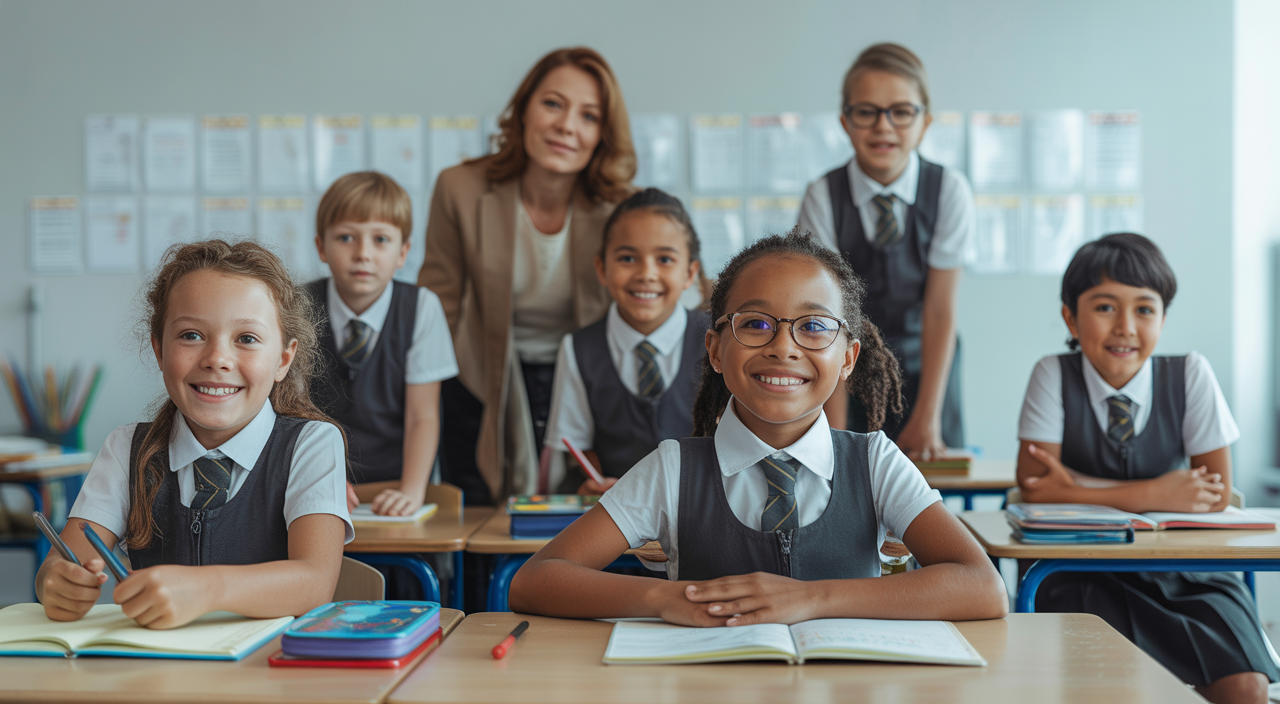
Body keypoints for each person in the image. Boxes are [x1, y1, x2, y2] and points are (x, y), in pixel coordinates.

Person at [509, 230, 1007, 625]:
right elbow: (537, 579)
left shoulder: (875, 461)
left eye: (814, 327)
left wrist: (811, 599)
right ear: (714, 350)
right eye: (755, 323)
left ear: (848, 357)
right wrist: (664, 597)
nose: (784, 347)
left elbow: (982, 586)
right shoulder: (673, 469)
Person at [36, 240, 352, 628]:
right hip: (157, 676)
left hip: (271, 675)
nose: (217, 358)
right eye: (190, 335)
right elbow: (61, 561)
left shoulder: (312, 445)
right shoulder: (126, 449)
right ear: (159, 350)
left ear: (283, 360)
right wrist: (55, 581)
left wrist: (209, 589)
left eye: (247, 339)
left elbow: (315, 582)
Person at [1016, 233, 1274, 704]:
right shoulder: (1052, 373)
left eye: (1144, 309)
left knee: (1246, 686)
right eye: (1105, 307)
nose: (1126, 327)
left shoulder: (1191, 373)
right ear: (1070, 316)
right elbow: (1034, 488)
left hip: (1187, 572)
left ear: (1163, 318)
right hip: (1079, 573)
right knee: (1115, 690)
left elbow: (1216, 493)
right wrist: (1156, 493)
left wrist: (1075, 488)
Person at [419, 46, 635, 505]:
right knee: (482, 510)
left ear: (602, 134)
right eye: (553, 104)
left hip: (585, 376)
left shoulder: (621, 207)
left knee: (581, 508)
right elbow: (438, 308)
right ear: (523, 110)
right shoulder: (459, 188)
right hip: (480, 374)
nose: (566, 126)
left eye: (589, 116)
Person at [797, 42, 974, 459]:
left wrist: (928, 415)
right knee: (848, 476)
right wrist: (833, 429)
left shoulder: (948, 190)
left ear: (925, 122)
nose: (884, 126)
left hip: (928, 362)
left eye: (901, 111)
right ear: (845, 120)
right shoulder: (823, 195)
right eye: (867, 111)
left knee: (929, 487)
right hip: (847, 364)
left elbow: (939, 310)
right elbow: (827, 319)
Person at [308, 171, 457, 516]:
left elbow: (423, 415)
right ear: (321, 248)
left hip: (395, 487)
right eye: (346, 237)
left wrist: (412, 489)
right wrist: (315, 478)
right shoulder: (298, 306)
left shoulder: (421, 307)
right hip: (316, 483)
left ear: (403, 252)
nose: (363, 253)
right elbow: (291, 410)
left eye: (381, 240)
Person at [544, 188, 708, 494]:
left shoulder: (718, 340)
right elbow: (577, 446)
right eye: (628, 258)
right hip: (617, 519)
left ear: (690, 273)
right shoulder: (579, 349)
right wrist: (593, 481)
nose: (646, 274)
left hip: (700, 509)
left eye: (665, 259)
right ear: (602, 269)